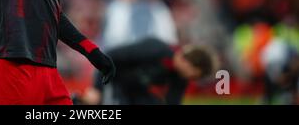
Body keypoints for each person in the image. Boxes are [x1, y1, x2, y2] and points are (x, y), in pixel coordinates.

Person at [81, 37, 218, 105]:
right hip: (113, 80)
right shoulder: (155, 49)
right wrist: (96, 88)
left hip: (134, 89)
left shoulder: (180, 75)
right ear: (189, 64)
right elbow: (110, 56)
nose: (192, 79)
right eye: (194, 74)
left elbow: (172, 101)